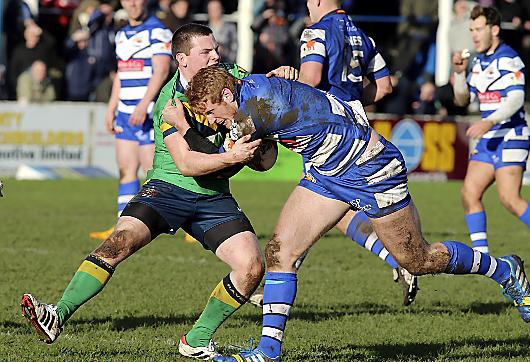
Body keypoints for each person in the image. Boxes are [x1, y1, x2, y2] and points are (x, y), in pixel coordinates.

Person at [171, 65, 530, 362]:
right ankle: (268, 353)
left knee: (417, 259)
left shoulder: (257, 108)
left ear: (227, 95)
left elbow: (224, 162)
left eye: (213, 112)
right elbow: (265, 155)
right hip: (328, 172)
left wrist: (183, 126)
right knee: (280, 252)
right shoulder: (251, 89)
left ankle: (503, 268)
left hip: (369, 168)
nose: (214, 121)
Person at [20, 23, 296, 360]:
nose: (215, 55)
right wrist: (234, 155)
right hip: (168, 188)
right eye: (205, 51)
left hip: (213, 195)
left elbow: (255, 91)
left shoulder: (229, 75)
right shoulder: (169, 101)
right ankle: (57, 315)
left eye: (215, 49)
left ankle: (196, 339)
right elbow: (187, 165)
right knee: (119, 241)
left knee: (252, 266)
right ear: (182, 59)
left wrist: (278, 78)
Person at [250, 0, 417, 308]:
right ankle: (396, 261)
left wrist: (286, 81)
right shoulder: (362, 37)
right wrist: (351, 100)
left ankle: (278, 284)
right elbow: (385, 88)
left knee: (306, 212)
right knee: (335, 212)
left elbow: (311, 79)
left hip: (324, 127)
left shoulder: (315, 32)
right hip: (356, 126)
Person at [452, 6, 530, 254]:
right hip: (490, 137)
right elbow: (462, 101)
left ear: (494, 29)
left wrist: (489, 121)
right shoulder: (476, 62)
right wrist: (460, 75)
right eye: (471, 30)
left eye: (478, 29)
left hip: (511, 134)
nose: (474, 35)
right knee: (469, 193)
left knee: (509, 199)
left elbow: (516, 99)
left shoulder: (509, 58)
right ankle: (483, 259)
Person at [89, 0, 172, 240]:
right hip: (126, 112)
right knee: (126, 169)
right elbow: (121, 73)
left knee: (154, 172)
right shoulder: (123, 33)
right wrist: (111, 107)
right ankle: (122, 225)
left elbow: (162, 70)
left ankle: (182, 224)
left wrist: (145, 104)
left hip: (147, 113)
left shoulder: (158, 30)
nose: (132, 3)